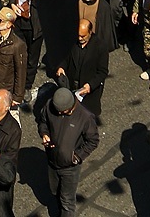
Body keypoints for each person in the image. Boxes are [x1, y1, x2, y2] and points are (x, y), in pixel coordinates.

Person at [37, 86, 99, 217]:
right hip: (52, 161)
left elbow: (93, 141)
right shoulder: (50, 106)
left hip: (70, 167)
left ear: (71, 107)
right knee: (55, 192)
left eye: (63, 112)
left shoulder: (85, 117)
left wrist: (76, 157)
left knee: (67, 201)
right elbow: (43, 122)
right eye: (57, 111)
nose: (59, 114)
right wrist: (44, 134)